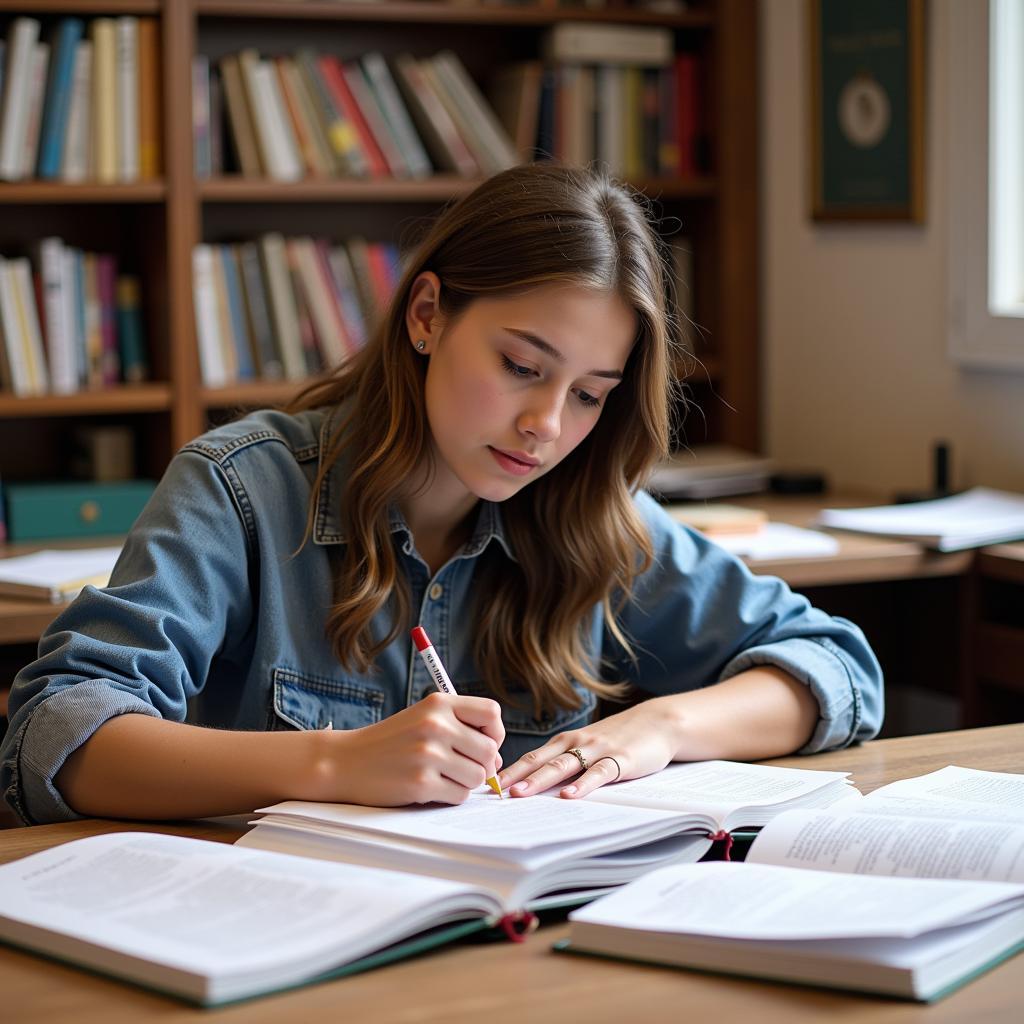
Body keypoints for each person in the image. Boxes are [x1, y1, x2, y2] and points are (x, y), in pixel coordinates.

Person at [0, 164, 882, 826]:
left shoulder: (588, 516)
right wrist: (333, 764)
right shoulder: (241, 489)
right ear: (427, 315)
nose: (545, 424)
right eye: (520, 366)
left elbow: (834, 667)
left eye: (588, 393)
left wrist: (657, 729)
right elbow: (56, 733)